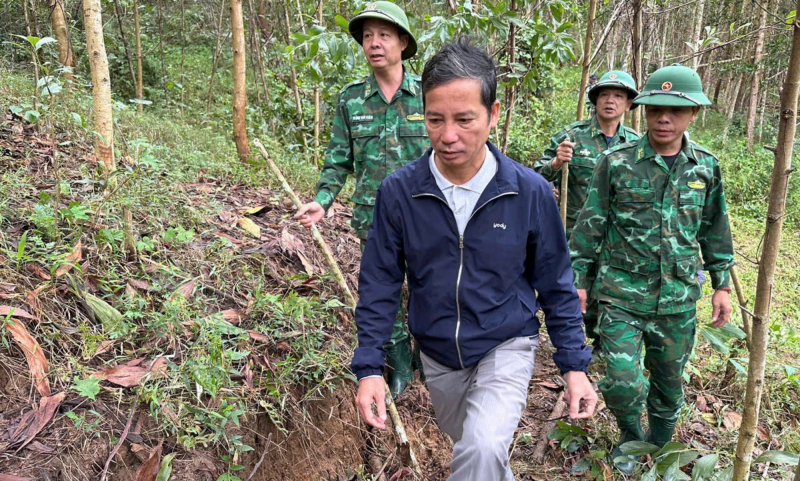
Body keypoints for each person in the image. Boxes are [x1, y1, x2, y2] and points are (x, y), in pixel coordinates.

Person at [352, 38, 597, 480]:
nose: (448, 136)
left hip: (508, 342)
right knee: (477, 452)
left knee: (482, 448)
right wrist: (369, 366)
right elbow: (379, 283)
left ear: (494, 113)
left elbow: (556, 283)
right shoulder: (399, 193)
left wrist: (574, 366)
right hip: (438, 352)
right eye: (434, 119)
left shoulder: (529, 192)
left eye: (465, 119)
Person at [569, 64, 735, 473]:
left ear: (693, 113)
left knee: (669, 382)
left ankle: (658, 444)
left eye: (675, 111)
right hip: (621, 294)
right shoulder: (618, 161)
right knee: (622, 381)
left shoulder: (705, 166)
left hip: (677, 298)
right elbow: (591, 225)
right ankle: (630, 436)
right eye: (655, 108)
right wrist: (578, 281)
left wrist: (721, 285)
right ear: (643, 110)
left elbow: (715, 228)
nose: (664, 118)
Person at [294, 1, 427, 398]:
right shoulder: (351, 99)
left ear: (403, 42)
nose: (374, 43)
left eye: (383, 35)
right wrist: (323, 199)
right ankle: (400, 362)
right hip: (374, 216)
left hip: (426, 215)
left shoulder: (428, 94)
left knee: (427, 288)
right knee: (383, 289)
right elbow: (338, 159)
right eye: (367, 36)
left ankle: (429, 357)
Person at [533, 70, 640, 343]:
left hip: (616, 235)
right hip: (573, 230)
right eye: (604, 95)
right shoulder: (571, 136)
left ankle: (602, 342)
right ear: (595, 100)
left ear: (628, 104)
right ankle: (567, 339)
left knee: (607, 289)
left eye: (618, 96)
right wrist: (556, 163)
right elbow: (536, 178)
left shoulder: (636, 145)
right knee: (568, 287)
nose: (610, 101)